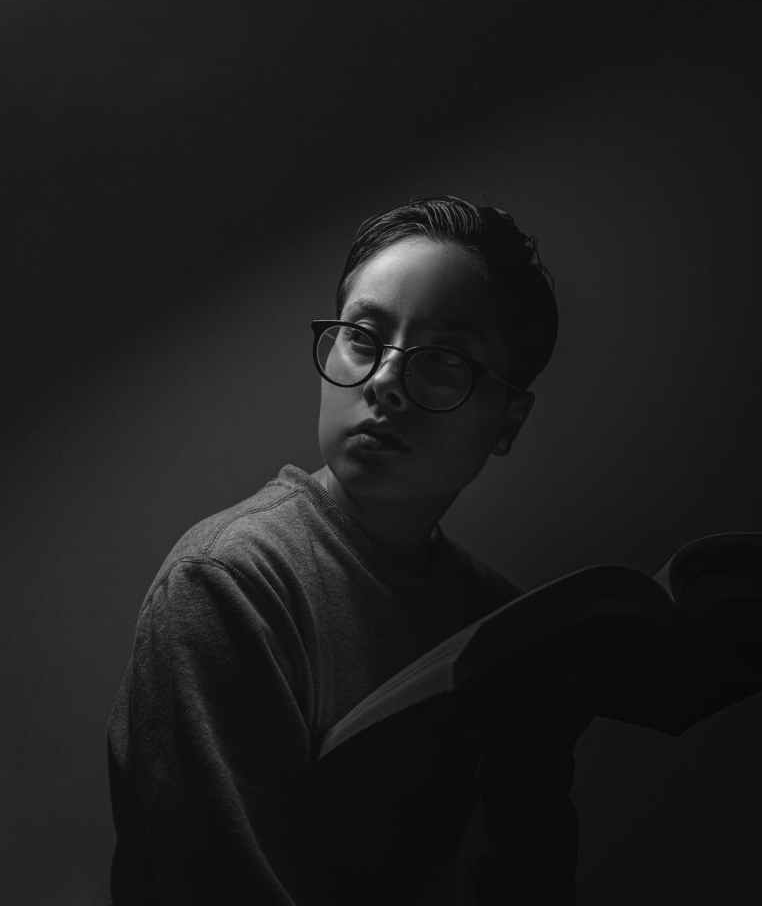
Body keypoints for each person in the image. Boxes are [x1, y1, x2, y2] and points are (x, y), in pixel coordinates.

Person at [107, 194, 586, 905]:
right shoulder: (229, 584)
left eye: (442, 360)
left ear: (509, 419)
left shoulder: (503, 623)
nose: (385, 380)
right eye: (363, 337)